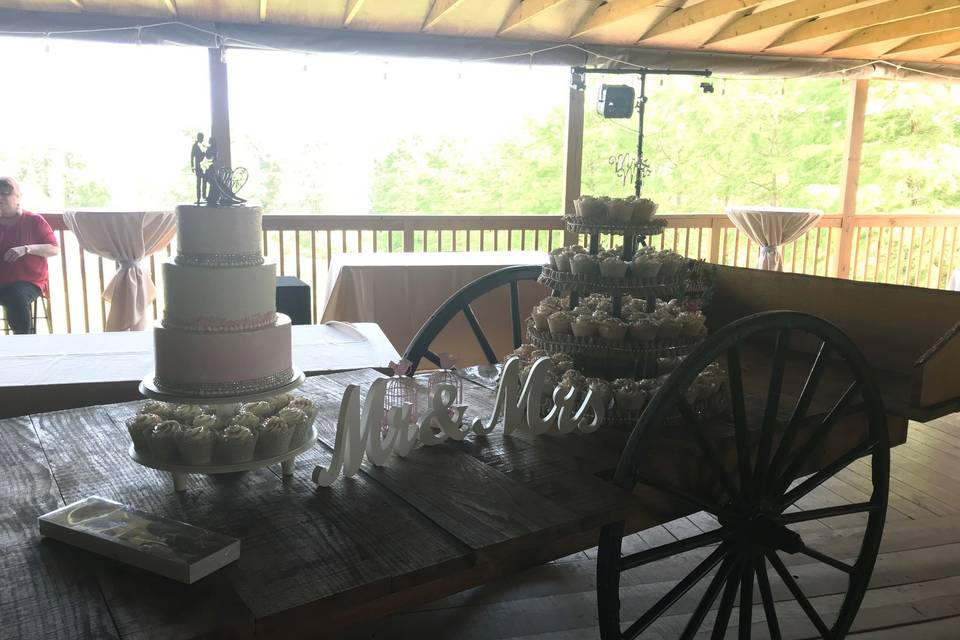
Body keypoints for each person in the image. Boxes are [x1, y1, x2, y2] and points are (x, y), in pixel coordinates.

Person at [0, 177, 59, 334]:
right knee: (10, 295)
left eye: (5, 194)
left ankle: (24, 341)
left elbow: (54, 249)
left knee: (15, 296)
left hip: (29, 281)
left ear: (18, 197)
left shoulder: (34, 221)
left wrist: (26, 249)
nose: (0, 198)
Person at [190, 132, 206, 205]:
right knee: (199, 183)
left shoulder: (203, 146)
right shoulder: (195, 146)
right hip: (198, 166)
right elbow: (192, 156)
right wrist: (192, 166)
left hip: (205, 167)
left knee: (204, 182)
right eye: (201, 138)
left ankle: (204, 197)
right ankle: (199, 198)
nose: (202, 139)